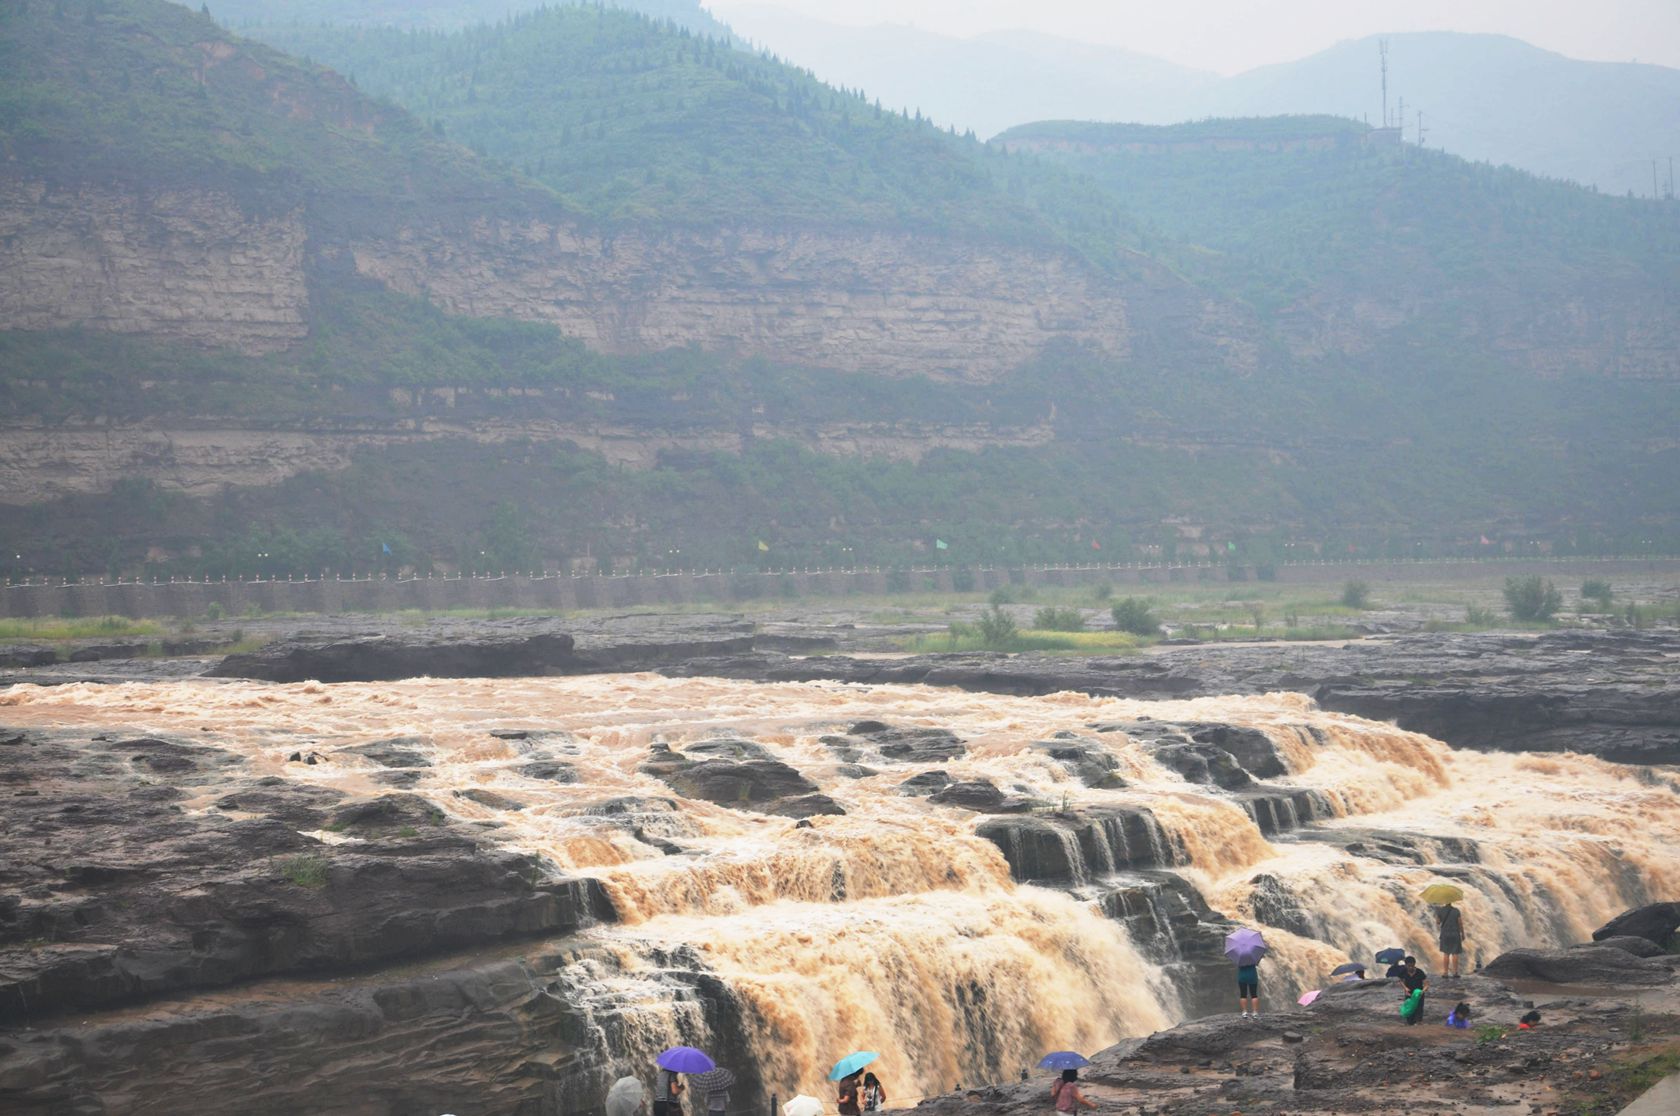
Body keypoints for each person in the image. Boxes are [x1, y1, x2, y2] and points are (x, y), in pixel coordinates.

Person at [1397, 955, 1429, 1025]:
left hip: (1418, 993)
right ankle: (1410, 1023)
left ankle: (1418, 1022)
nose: (1410, 968)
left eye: (1412, 966)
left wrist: (1422, 991)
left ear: (1414, 964)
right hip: (1409, 992)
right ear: (1405, 965)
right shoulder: (1403, 972)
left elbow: (1426, 984)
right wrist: (1405, 988)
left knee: (1419, 1008)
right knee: (1409, 1008)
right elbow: (1400, 980)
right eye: (1409, 966)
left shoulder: (1419, 972)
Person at [1436, 903, 1465, 978]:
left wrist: (1438, 917)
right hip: (1455, 933)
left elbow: (1438, 922)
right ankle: (1455, 972)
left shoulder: (1440, 910)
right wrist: (1462, 933)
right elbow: (1460, 923)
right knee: (1455, 953)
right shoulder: (1456, 911)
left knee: (1446, 953)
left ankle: (1445, 973)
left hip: (1445, 934)